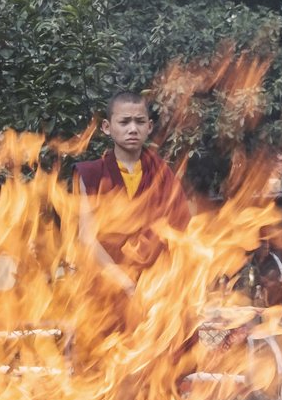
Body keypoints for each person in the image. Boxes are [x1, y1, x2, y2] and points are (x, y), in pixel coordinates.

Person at [70, 91, 197, 274]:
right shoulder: (91, 174)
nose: (133, 129)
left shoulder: (161, 174)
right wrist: (125, 284)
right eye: (124, 122)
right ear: (107, 127)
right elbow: (87, 238)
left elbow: (181, 230)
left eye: (140, 121)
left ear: (149, 127)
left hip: (156, 285)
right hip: (104, 283)